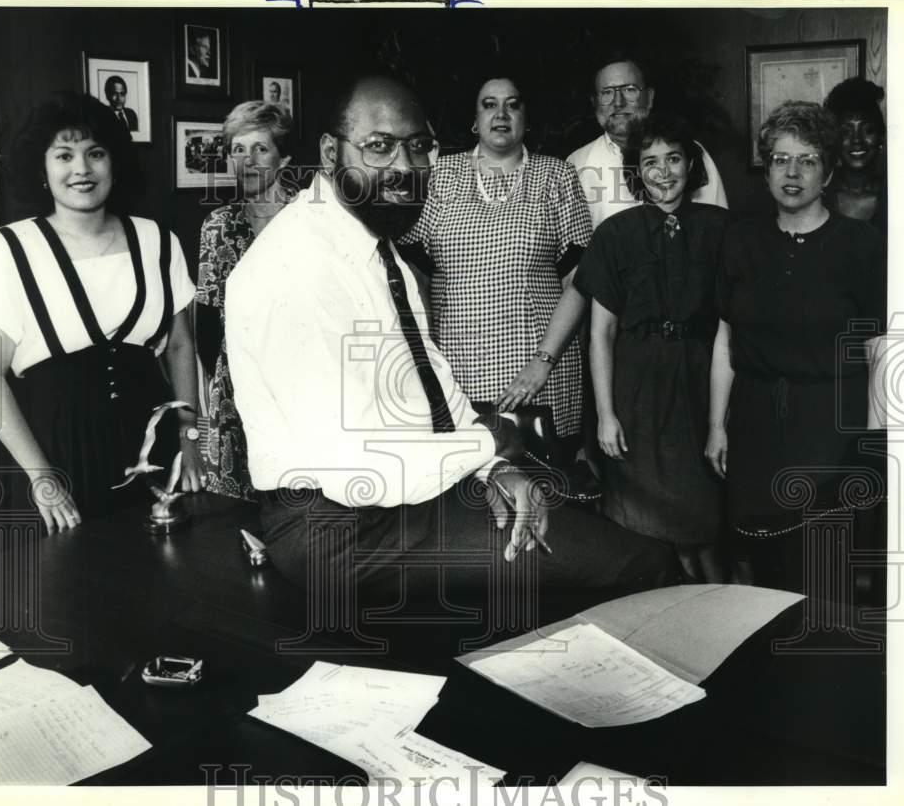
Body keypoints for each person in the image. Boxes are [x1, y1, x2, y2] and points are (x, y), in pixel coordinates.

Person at [225, 73, 678, 605]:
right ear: (330, 153)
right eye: (379, 146)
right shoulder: (292, 268)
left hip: (410, 493)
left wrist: (495, 470)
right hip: (340, 531)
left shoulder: (372, 241)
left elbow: (430, 383)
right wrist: (498, 439)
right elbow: (358, 472)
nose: (404, 167)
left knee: (623, 557)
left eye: (419, 147)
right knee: (642, 568)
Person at [0, 91, 203, 533]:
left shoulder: (158, 241)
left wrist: (190, 440)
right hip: (52, 457)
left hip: (149, 451)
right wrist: (41, 476)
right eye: (64, 155)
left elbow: (182, 344)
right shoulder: (3, 251)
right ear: (41, 166)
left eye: (96, 153)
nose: (82, 169)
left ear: (115, 162)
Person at [505, 114, 731, 582]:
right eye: (650, 162)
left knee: (705, 527)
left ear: (691, 165)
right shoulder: (616, 233)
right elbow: (600, 333)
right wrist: (606, 415)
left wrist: (718, 424)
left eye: (673, 159)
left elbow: (732, 328)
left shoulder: (723, 229)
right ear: (636, 172)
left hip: (698, 387)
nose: (662, 172)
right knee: (644, 531)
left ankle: (713, 618)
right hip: (634, 396)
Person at [707, 101, 885, 590]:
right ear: (766, 169)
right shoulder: (740, 241)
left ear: (827, 172)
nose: (792, 172)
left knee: (822, 570)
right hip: (754, 423)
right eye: (781, 158)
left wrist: (870, 444)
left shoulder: (862, 245)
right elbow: (726, 339)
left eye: (807, 160)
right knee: (750, 565)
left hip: (830, 427)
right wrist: (715, 427)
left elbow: (877, 351)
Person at [403, 74, 592, 454]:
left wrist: (543, 362)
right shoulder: (440, 175)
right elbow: (412, 275)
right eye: (489, 104)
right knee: (468, 488)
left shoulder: (557, 175)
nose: (501, 113)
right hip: (457, 371)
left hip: (539, 372)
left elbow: (580, 279)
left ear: (526, 117)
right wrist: (428, 361)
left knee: (548, 491)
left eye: (513, 104)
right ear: (475, 118)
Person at [195, 101, 295, 500]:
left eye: (260, 148)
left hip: (299, 384)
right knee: (235, 517)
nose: (247, 160)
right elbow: (205, 322)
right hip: (235, 388)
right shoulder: (218, 225)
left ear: (284, 158)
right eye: (238, 149)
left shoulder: (310, 218)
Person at [566, 53, 728, 231]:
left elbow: (718, 228)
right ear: (595, 102)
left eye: (629, 90)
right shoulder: (576, 164)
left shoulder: (691, 152)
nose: (618, 102)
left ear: (649, 98)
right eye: (606, 93)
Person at [823, 77, 886, 230]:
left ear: (881, 137)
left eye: (868, 130)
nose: (857, 140)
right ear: (834, 139)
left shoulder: (901, 194)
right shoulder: (817, 196)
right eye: (845, 132)